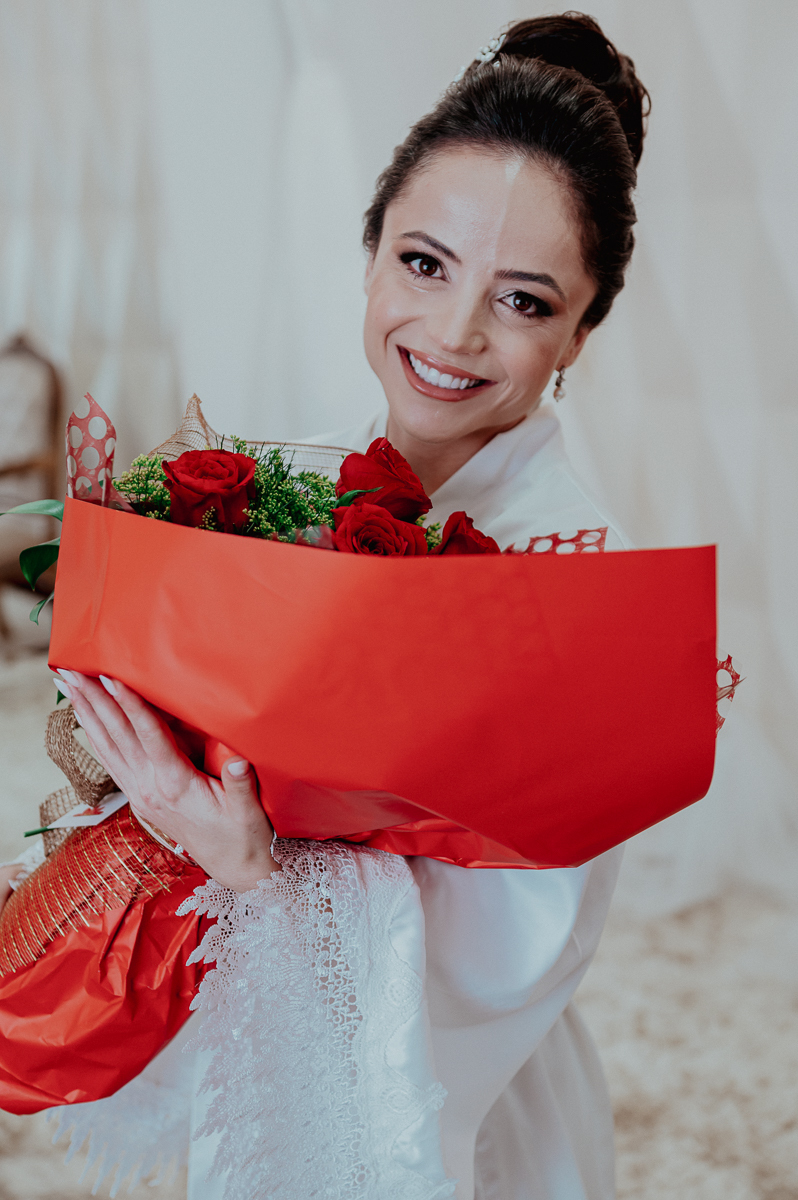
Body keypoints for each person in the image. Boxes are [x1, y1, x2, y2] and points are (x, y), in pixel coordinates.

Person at [0, 13, 649, 1199]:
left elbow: (509, 954)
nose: (452, 334)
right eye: (423, 263)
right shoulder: (300, 473)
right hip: (270, 1017)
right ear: (369, 253)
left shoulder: (577, 577)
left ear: (584, 330)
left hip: (460, 1112)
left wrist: (253, 865)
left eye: (524, 301)